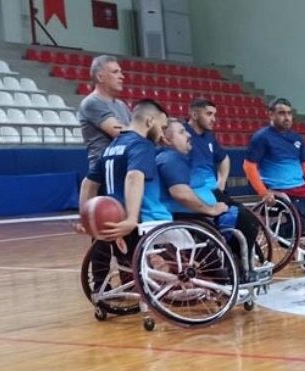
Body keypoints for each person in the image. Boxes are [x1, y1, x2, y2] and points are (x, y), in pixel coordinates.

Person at [156, 120, 260, 267]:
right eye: (181, 132)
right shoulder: (170, 159)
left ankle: (241, 264)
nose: (188, 135)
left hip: (197, 214)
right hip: (190, 217)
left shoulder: (176, 158)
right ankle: (238, 268)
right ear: (167, 140)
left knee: (244, 217)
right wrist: (210, 209)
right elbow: (181, 194)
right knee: (244, 219)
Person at [76, 100, 171, 256]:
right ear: (150, 121)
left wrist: (85, 218)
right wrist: (131, 219)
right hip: (140, 223)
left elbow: (88, 183)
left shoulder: (112, 146)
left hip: (114, 220)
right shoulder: (141, 145)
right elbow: (134, 176)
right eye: (162, 127)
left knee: (128, 268)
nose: (162, 134)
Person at [243, 98, 305, 241]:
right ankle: (277, 233)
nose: (287, 117)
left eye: (289, 113)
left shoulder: (297, 138)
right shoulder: (261, 137)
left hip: (301, 189)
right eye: (282, 113)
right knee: (301, 223)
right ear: (271, 114)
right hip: (280, 190)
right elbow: (249, 166)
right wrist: (264, 193)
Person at [77, 55, 131, 176]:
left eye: (121, 72)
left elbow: (134, 132)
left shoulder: (121, 105)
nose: (122, 76)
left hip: (121, 168)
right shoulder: (92, 102)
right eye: (115, 72)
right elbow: (120, 133)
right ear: (100, 77)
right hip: (104, 172)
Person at [184, 98, 231, 199]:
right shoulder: (181, 133)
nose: (214, 119)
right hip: (194, 194)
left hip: (214, 192)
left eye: (214, 115)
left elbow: (224, 159)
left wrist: (221, 182)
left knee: (240, 209)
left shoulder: (209, 136)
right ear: (194, 115)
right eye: (209, 114)